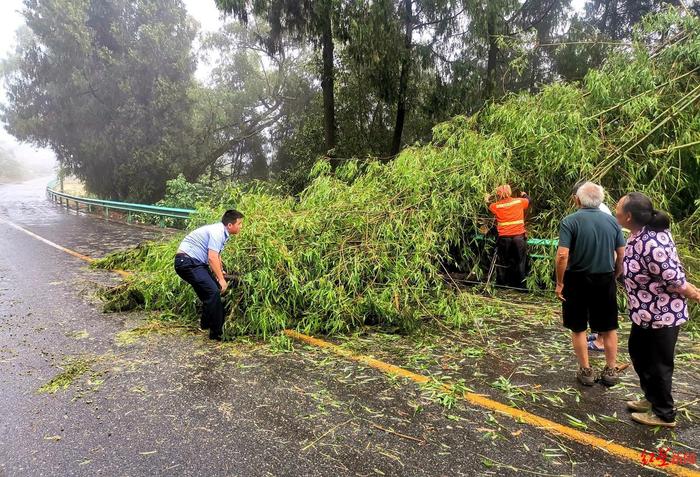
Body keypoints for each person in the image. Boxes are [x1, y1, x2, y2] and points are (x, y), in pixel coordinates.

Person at [615, 192, 700, 428]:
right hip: (643, 312)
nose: (615, 210)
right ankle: (651, 398)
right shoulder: (638, 233)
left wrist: (694, 293)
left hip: (662, 315)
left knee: (658, 365)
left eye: (618, 208)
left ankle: (664, 414)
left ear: (629, 216)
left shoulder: (652, 243)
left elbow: (674, 277)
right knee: (639, 354)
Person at [555, 182, 625, 386]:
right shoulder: (612, 222)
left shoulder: (570, 221)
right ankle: (611, 370)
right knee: (609, 327)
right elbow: (621, 252)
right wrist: (617, 272)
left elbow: (562, 255)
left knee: (578, 327)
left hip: (576, 279)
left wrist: (560, 282)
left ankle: (586, 371)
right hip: (605, 278)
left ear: (577, 200)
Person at [174, 210, 244, 341]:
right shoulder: (218, 232)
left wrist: (220, 271)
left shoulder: (221, 232)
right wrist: (222, 280)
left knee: (211, 292)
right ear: (230, 225)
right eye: (239, 224)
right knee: (213, 292)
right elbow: (212, 257)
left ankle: (205, 324)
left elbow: (216, 255)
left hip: (194, 263)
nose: (241, 227)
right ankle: (217, 333)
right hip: (188, 262)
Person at [570, 180, 614, 353]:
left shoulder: (598, 213)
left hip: (598, 265)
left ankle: (601, 341)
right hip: (603, 264)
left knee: (600, 308)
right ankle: (598, 336)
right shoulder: (599, 210)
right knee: (597, 307)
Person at [485, 184, 530, 288]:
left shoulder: (496, 206)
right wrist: (524, 194)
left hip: (504, 238)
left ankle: (502, 284)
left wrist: (487, 199)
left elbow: (488, 205)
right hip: (519, 237)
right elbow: (528, 200)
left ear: (498, 194)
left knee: (503, 261)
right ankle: (521, 286)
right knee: (520, 261)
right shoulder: (519, 201)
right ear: (510, 192)